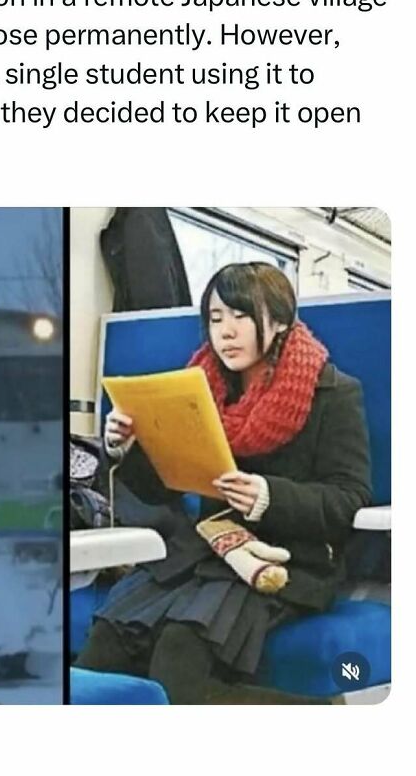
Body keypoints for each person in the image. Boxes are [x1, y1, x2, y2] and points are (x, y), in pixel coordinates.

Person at [75, 262, 372, 703]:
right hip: (207, 551)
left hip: (287, 561)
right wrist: (127, 448)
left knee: (178, 662)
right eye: (216, 319)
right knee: (104, 647)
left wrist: (268, 497)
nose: (226, 332)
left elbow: (350, 498)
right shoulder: (202, 390)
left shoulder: (333, 392)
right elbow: (166, 487)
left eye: (241, 316)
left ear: (279, 320)